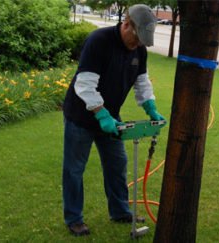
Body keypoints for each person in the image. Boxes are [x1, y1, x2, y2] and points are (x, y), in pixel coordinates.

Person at [62, 4, 165, 236]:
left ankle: (120, 211)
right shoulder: (99, 41)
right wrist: (101, 114)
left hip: (111, 116)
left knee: (117, 165)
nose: (137, 44)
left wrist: (151, 107)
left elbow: (142, 82)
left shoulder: (139, 50)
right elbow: (84, 83)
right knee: (74, 170)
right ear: (126, 24)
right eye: (136, 37)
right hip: (81, 116)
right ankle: (74, 218)